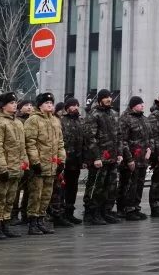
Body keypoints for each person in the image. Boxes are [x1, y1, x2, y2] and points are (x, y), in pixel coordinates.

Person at [0, 94, 28, 239]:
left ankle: (5, 224)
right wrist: (2, 168)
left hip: (16, 168)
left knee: (10, 199)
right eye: (11, 103)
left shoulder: (18, 123)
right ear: (2, 106)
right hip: (4, 168)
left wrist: (24, 164)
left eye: (15, 102)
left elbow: (22, 147)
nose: (15, 105)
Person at [22, 93, 64, 235]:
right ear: (39, 105)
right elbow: (30, 143)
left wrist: (61, 160)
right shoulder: (33, 120)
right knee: (36, 194)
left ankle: (41, 219)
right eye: (46, 102)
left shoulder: (55, 121)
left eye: (51, 102)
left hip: (51, 165)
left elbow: (60, 143)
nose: (50, 105)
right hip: (39, 166)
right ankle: (32, 222)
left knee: (46, 195)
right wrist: (35, 162)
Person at [83, 90, 123, 225]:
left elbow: (119, 135)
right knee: (96, 187)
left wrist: (119, 153)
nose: (109, 99)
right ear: (100, 99)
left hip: (112, 157)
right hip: (100, 159)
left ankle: (105, 212)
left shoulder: (113, 114)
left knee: (111, 187)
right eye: (105, 97)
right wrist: (96, 157)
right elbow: (90, 138)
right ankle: (92, 213)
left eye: (110, 97)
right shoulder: (94, 115)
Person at [54, 97, 87, 226]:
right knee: (62, 188)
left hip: (76, 161)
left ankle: (69, 212)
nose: (75, 107)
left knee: (73, 188)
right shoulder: (61, 122)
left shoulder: (81, 121)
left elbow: (84, 142)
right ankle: (60, 213)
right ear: (67, 108)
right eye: (72, 105)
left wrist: (84, 159)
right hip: (65, 160)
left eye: (76, 105)